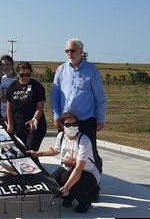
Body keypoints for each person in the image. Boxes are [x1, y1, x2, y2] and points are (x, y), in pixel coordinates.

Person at [50, 38, 106, 200]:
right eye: (67, 51)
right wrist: (55, 116)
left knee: (90, 154)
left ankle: (93, 188)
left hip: (86, 120)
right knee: (68, 154)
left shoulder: (91, 70)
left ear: (81, 51)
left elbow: (99, 97)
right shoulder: (61, 70)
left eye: (73, 50)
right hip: (66, 121)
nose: (69, 53)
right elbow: (55, 95)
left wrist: (100, 118)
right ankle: (71, 187)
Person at [27, 111, 100, 213]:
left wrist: (66, 187)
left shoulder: (84, 140)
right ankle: (69, 197)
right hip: (68, 168)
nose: (72, 127)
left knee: (67, 178)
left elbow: (79, 168)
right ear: (62, 126)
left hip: (88, 173)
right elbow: (55, 150)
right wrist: (36, 153)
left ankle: (85, 201)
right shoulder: (61, 136)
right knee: (51, 182)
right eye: (68, 124)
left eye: (75, 124)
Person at [6, 61, 47, 153]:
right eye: (22, 75)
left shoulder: (37, 86)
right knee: (20, 151)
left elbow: (40, 107)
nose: (25, 77)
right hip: (18, 124)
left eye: (27, 74)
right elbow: (9, 108)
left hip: (34, 125)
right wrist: (10, 124)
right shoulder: (12, 87)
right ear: (17, 74)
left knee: (30, 151)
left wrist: (34, 119)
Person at [0, 55, 18, 121]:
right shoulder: (1, 79)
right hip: (2, 114)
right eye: (3, 65)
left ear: (12, 65)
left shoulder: (17, 79)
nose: (5, 67)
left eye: (7, 64)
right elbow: (1, 97)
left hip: (14, 116)